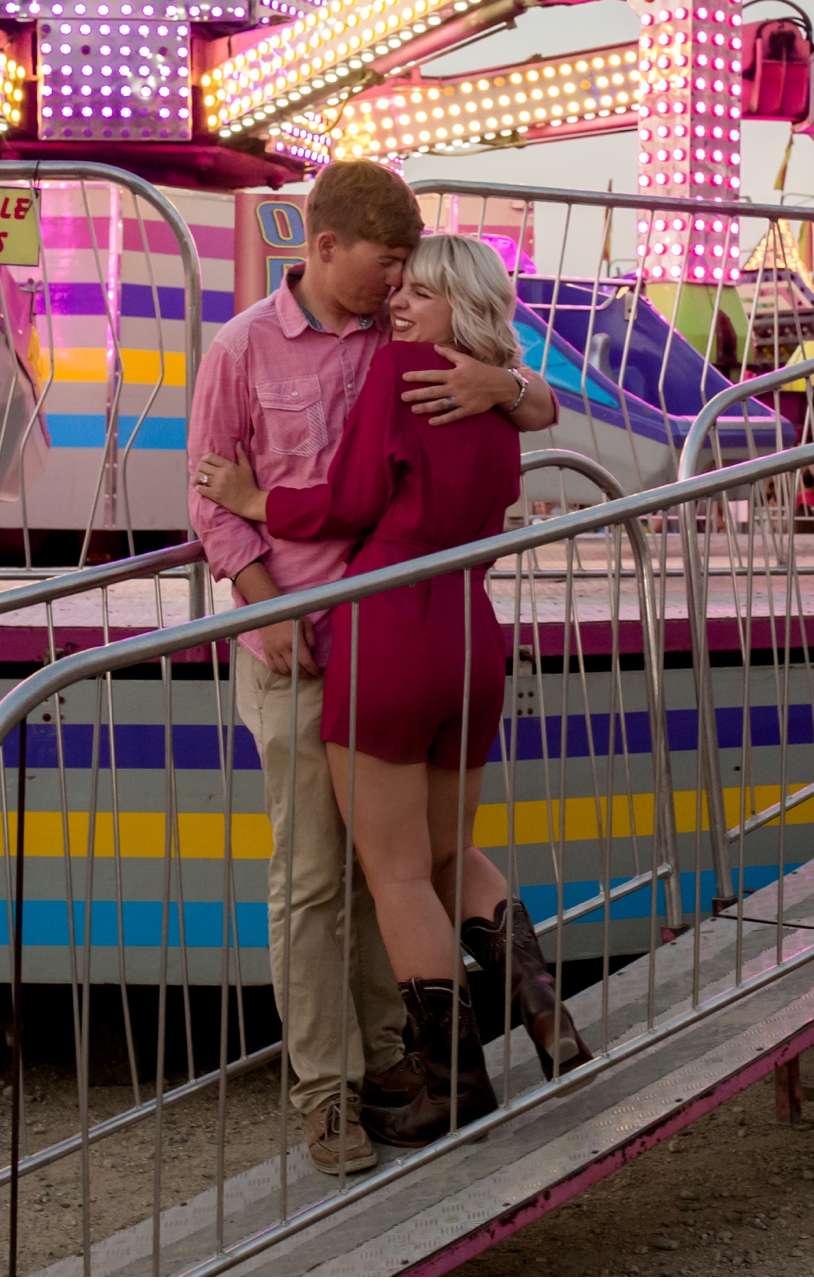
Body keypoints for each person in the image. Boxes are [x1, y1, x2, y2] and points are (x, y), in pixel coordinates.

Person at [186, 161, 559, 1174]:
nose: (394, 286)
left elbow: (536, 412)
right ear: (322, 247)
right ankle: (326, 1093)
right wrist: (274, 608)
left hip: (384, 641)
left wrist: (507, 381)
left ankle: (401, 1059)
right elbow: (213, 500)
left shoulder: (402, 346)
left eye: (407, 270)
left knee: (383, 873)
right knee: (314, 878)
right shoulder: (243, 349)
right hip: (300, 642)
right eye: (383, 266)